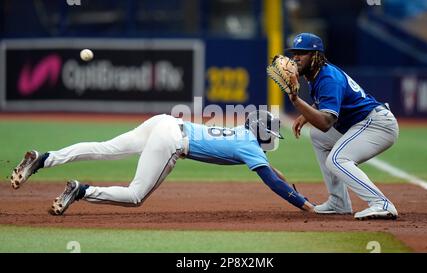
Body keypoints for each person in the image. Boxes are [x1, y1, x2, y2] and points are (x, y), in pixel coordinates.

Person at [10, 110, 315, 215]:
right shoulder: (251, 147)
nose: (272, 139)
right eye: (271, 133)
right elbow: (272, 182)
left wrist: (271, 168)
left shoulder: (240, 133)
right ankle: (81, 191)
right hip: (171, 142)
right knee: (135, 196)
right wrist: (303, 203)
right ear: (262, 132)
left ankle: (44, 158)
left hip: (165, 122)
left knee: (103, 148)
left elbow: (261, 164)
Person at [284, 33, 399, 220]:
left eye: (302, 53)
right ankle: (339, 202)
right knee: (319, 138)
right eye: (294, 53)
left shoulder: (328, 77)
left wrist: (296, 101)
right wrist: (305, 116)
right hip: (363, 123)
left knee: (337, 159)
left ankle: (381, 204)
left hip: (376, 125)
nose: (296, 57)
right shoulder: (318, 74)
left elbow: (325, 123)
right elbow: (328, 101)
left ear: (316, 56)